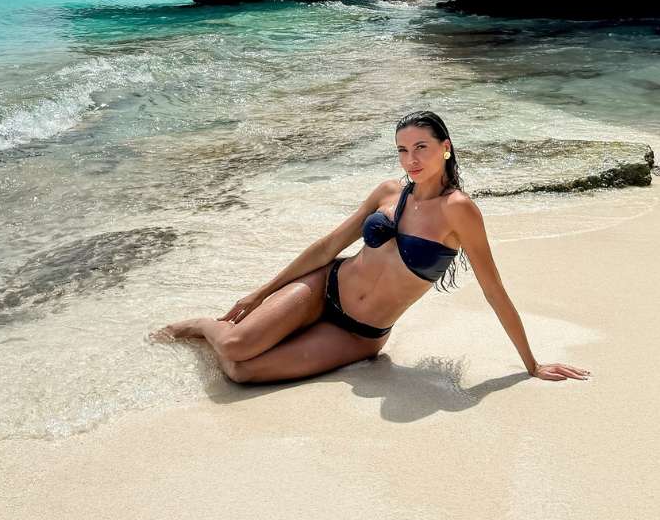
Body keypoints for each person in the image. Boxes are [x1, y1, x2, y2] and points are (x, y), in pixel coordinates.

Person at [150, 110, 591, 385]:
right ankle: (205, 324)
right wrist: (260, 293)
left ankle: (236, 329)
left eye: (421, 147)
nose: (411, 159)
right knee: (232, 346)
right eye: (402, 150)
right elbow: (327, 247)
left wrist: (531, 364)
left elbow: (494, 290)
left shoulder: (460, 212)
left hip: (358, 333)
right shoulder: (387, 192)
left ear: (446, 148)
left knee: (242, 372)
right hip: (325, 286)